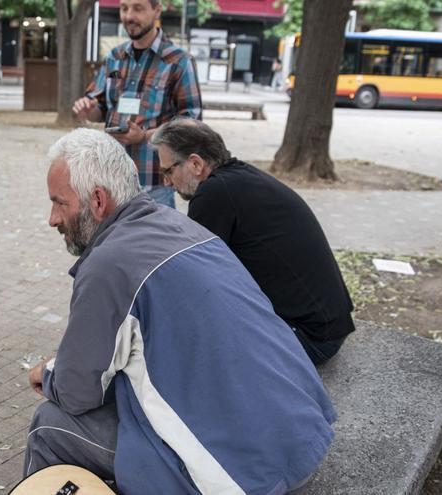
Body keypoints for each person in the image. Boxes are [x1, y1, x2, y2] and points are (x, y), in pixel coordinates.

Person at [24, 128, 336, 494]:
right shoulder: (183, 226)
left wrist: (48, 374)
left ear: (96, 200)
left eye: (59, 202)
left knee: (49, 423)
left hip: (247, 478)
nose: (52, 219)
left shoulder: (108, 265)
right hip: (303, 440)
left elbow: (78, 392)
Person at [150, 119, 356, 365]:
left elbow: (192, 275)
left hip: (310, 338)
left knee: (177, 347)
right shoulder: (238, 177)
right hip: (326, 327)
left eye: (168, 171)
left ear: (195, 163)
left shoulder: (214, 193)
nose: (166, 182)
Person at [72, 0, 201, 209]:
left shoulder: (179, 61)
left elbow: (191, 124)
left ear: (156, 10)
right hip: (111, 178)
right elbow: (102, 109)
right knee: (113, 241)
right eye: (124, 8)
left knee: (154, 242)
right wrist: (89, 109)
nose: (129, 16)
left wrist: (145, 136)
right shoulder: (114, 57)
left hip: (155, 183)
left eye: (138, 8)